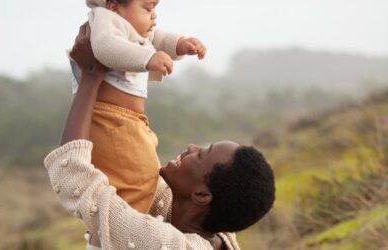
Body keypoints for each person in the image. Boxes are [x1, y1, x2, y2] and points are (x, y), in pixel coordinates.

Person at [44, 24, 275, 249]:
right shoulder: (214, 228)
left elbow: (74, 176)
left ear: (202, 195)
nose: (191, 147)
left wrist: (90, 78)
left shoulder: (164, 244)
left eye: (201, 155)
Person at [68, 0, 207, 214]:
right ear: (114, 6)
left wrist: (181, 44)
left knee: (141, 175)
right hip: (112, 121)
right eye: (148, 8)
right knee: (139, 179)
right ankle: (131, 224)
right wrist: (149, 58)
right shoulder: (104, 20)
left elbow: (158, 38)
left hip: (127, 121)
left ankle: (134, 220)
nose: (154, 16)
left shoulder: (129, 28)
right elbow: (106, 48)